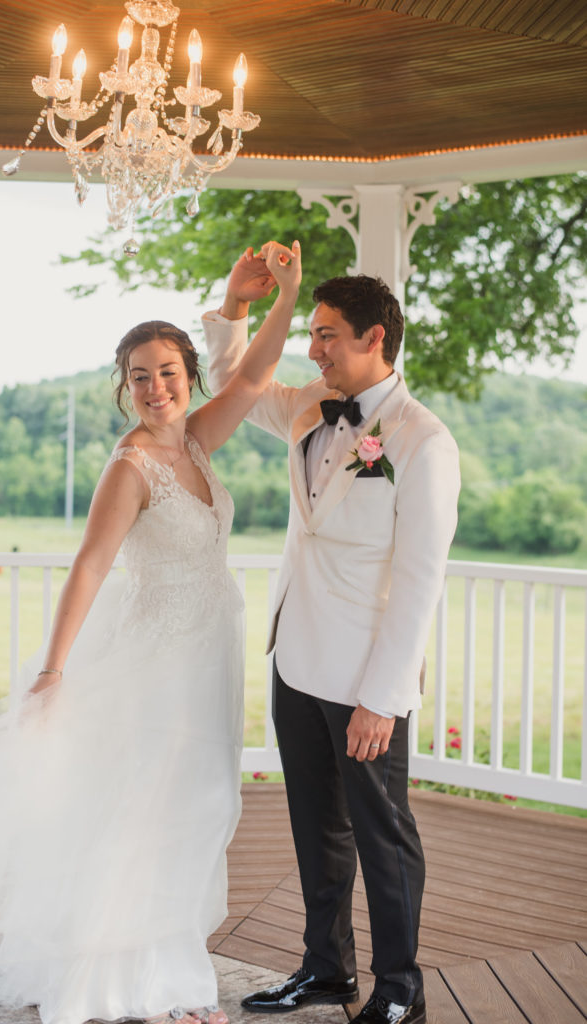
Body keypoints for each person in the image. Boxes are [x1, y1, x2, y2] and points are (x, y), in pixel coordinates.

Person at [0, 240, 301, 1024]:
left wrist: (272, 297)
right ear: (127, 388)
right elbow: (88, 567)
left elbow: (253, 376)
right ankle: (139, 987)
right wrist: (51, 672)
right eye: (141, 376)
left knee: (199, 809)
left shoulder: (193, 443)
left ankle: (171, 975)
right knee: (154, 816)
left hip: (205, 662)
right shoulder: (133, 466)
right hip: (155, 668)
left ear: (188, 378)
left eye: (169, 372)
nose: (156, 388)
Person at [202, 256, 460, 1024]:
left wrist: (383, 699)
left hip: (364, 679)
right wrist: (234, 307)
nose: (313, 350)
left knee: (383, 837)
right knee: (316, 828)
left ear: (376, 338)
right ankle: (326, 971)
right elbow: (237, 388)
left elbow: (420, 582)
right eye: (312, 334)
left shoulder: (423, 442)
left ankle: (401, 989)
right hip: (297, 661)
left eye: (326, 337)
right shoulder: (315, 405)